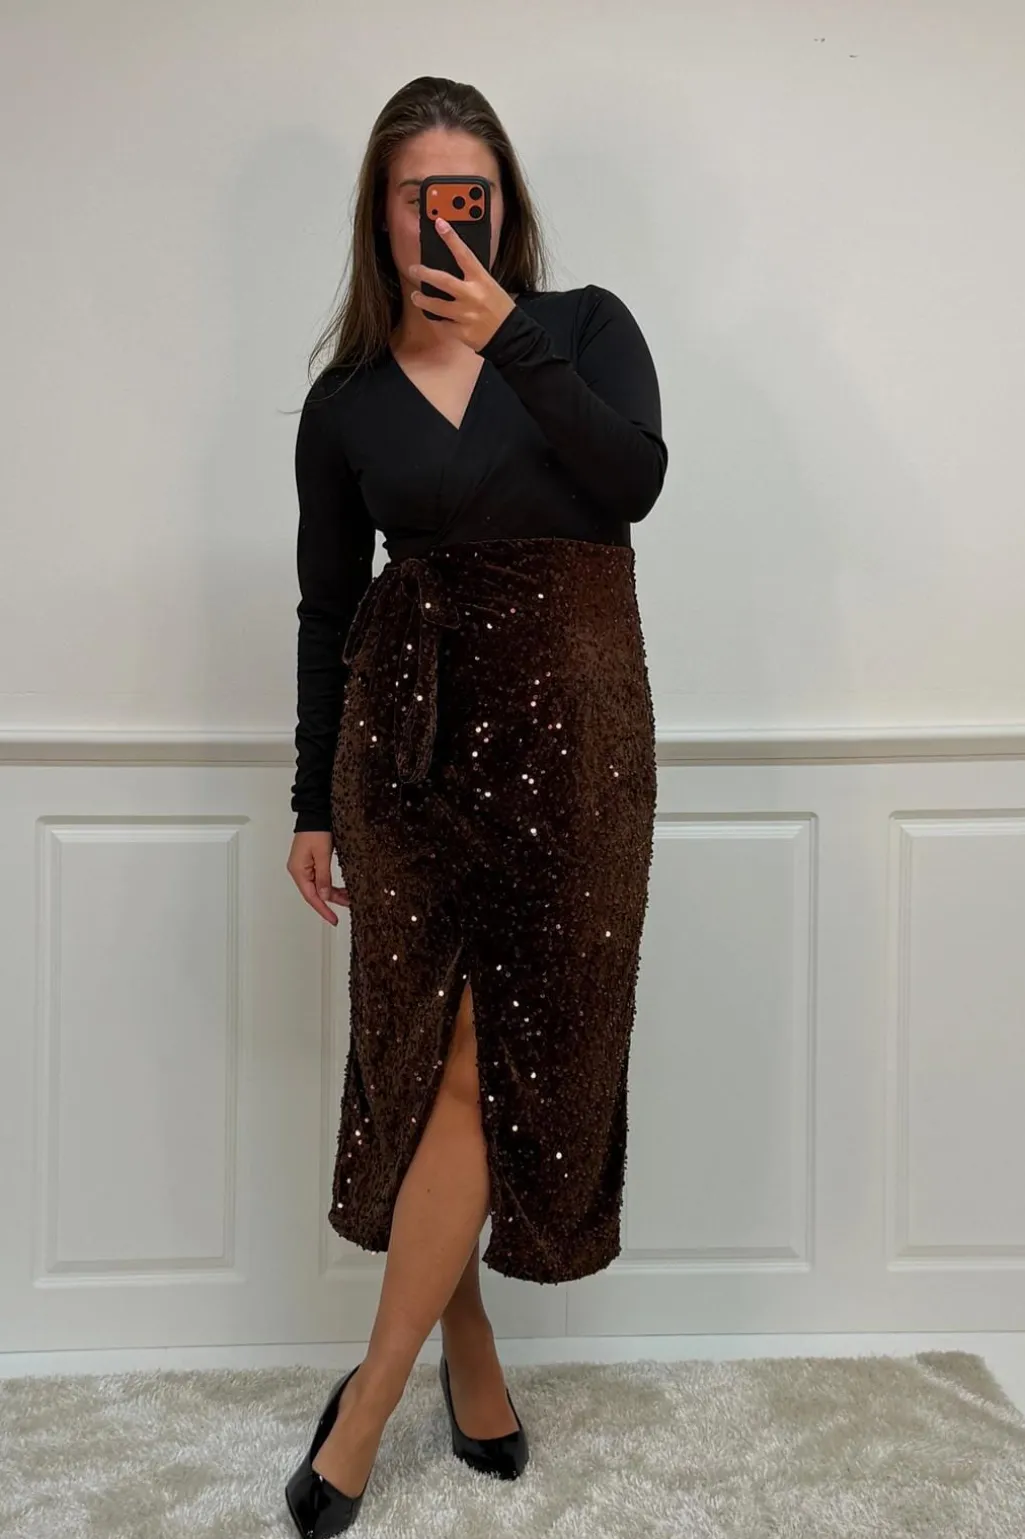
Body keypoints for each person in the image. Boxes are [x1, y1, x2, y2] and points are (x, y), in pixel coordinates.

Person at [283, 75, 667, 1537]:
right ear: (381, 215)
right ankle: (396, 1394)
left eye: (472, 192)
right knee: (435, 1061)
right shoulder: (345, 402)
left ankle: (430, 1368)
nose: (448, 215)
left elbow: (634, 478)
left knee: (516, 1059)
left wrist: (508, 335)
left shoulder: (585, 328)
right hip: (409, 752)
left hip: (577, 754)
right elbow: (329, 611)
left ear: (504, 203)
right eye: (419, 194)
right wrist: (312, 798)